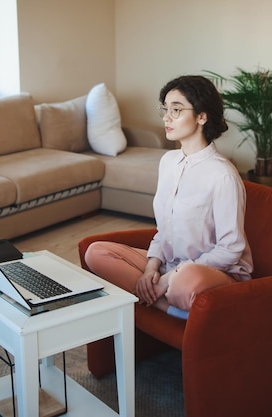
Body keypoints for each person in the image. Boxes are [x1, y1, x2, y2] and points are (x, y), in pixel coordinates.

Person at [85, 75, 253, 319]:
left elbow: (231, 248)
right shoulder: (168, 162)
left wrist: (172, 277)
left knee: (185, 283)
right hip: (170, 264)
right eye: (165, 109)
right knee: (96, 252)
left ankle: (159, 299)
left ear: (202, 116)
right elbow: (165, 230)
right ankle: (171, 308)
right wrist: (151, 267)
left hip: (213, 272)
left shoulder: (222, 174)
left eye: (176, 110)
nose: (166, 117)